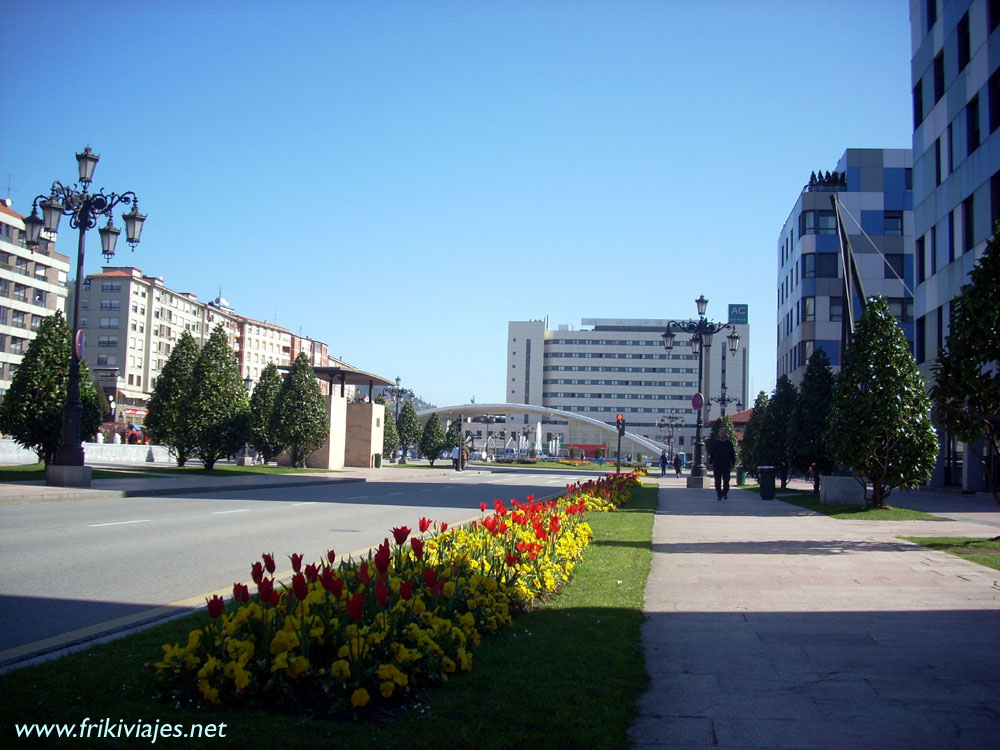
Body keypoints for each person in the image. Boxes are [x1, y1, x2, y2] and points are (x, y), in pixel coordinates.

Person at [710, 433, 736, 500]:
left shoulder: (729, 443)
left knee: (726, 480)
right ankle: (719, 494)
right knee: (717, 480)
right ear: (719, 434)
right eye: (721, 433)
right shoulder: (715, 443)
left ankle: (725, 493)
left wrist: (733, 462)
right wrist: (710, 462)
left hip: (726, 464)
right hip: (717, 464)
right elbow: (712, 453)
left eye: (723, 433)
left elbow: (732, 453)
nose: (722, 434)